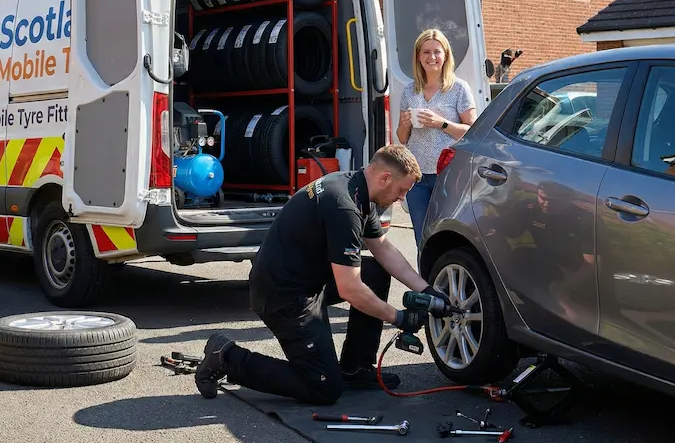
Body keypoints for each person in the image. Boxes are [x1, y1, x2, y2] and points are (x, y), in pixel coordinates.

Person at [193, 144, 451, 405]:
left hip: (305, 280)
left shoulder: (358, 190)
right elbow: (350, 288)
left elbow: (384, 249)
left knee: (375, 271)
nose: (401, 198)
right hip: (283, 297)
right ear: (385, 178)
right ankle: (226, 356)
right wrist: (398, 318)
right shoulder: (344, 207)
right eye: (401, 190)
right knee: (323, 387)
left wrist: (426, 290)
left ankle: (355, 368)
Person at [396, 29, 477, 249]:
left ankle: (445, 281)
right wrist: (404, 125)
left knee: (448, 237)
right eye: (426, 52)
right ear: (418, 57)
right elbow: (402, 138)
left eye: (436, 52)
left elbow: (472, 131)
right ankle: (425, 283)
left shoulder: (459, 88)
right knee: (422, 239)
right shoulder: (409, 91)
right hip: (417, 176)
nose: (431, 57)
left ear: (446, 55)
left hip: (448, 175)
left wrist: (440, 122)